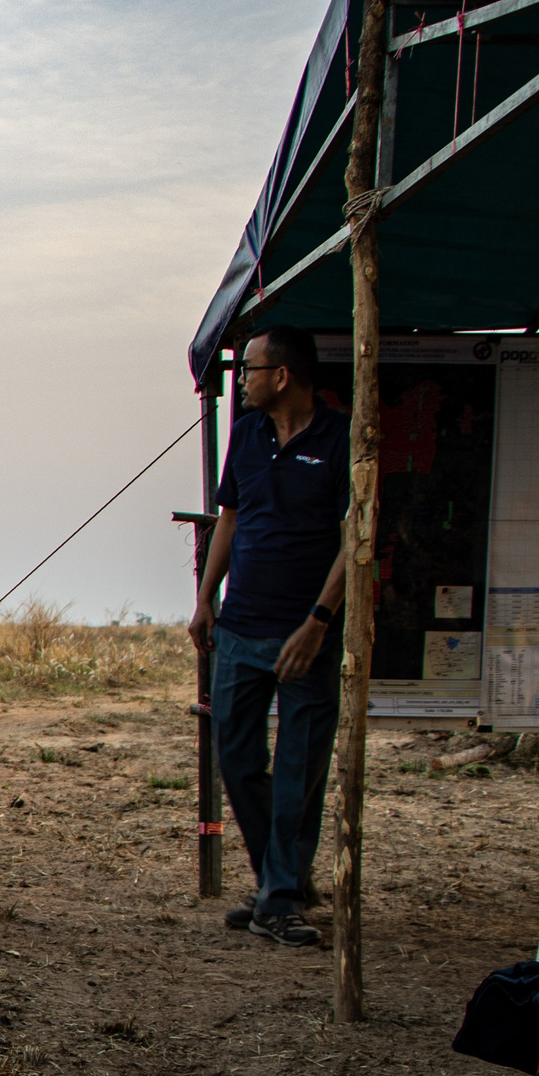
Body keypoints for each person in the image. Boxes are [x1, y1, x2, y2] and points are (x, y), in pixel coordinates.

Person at [188, 323, 349, 949]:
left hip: (305, 634)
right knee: (236, 757)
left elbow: (356, 538)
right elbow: (229, 519)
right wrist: (206, 598)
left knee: (298, 770)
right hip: (240, 627)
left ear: (281, 376)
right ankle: (280, 883)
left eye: (250, 369)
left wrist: (318, 621)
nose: (242, 381)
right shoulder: (249, 434)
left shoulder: (341, 440)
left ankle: (278, 900)